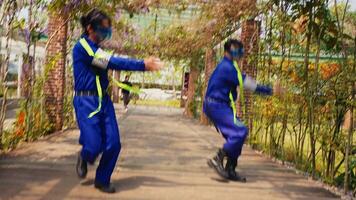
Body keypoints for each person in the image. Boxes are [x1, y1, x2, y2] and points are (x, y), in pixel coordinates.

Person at [73, 9, 163, 193]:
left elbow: (106, 63)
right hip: (86, 101)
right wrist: (143, 65)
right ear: (90, 28)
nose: (105, 32)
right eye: (102, 28)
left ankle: (102, 180)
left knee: (114, 144)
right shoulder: (83, 47)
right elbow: (112, 62)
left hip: (103, 102)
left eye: (107, 28)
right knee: (93, 145)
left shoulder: (96, 50)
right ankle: (85, 155)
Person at [204, 39, 281, 182]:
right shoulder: (228, 68)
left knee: (236, 136)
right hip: (216, 105)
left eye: (240, 49)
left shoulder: (230, 66)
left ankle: (230, 169)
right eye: (236, 49)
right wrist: (270, 91)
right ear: (228, 50)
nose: (239, 52)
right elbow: (249, 84)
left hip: (219, 105)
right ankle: (217, 159)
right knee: (240, 131)